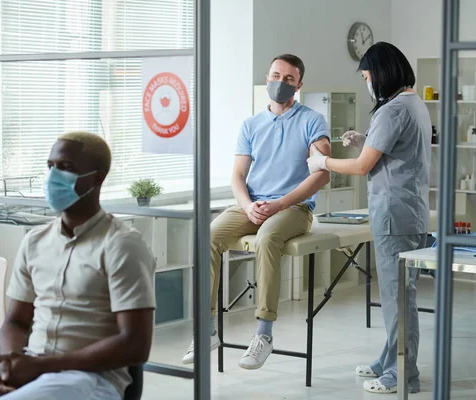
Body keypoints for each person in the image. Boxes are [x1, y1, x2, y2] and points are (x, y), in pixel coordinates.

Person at [0, 132, 156, 400]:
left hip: (91, 378)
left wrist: (40, 367)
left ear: (96, 178)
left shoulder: (122, 245)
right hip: (32, 364)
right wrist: (11, 363)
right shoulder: (35, 242)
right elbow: (15, 322)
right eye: (50, 166)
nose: (54, 175)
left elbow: (135, 345)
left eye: (65, 168)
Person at [182, 54, 331, 370]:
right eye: (276, 75)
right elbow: (237, 176)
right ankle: (207, 330)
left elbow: (322, 174)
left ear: (299, 85)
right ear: (267, 78)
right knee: (206, 236)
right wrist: (249, 205)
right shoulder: (251, 125)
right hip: (253, 203)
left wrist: (279, 204)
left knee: (266, 239)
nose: (280, 83)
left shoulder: (313, 121)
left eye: (288, 79)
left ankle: (264, 334)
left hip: (294, 207)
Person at [307, 42, 431, 394]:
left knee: (397, 299)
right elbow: (397, 152)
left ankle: (402, 374)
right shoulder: (412, 103)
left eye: (366, 76)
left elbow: (363, 167)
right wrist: (366, 138)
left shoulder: (392, 110)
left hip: (395, 215)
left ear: (380, 72)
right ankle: (388, 360)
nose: (367, 82)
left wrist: (323, 163)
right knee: (398, 295)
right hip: (409, 212)